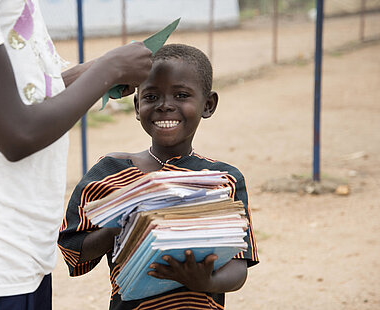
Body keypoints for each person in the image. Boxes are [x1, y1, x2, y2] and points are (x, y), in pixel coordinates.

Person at [0, 0, 152, 309]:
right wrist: (109, 68)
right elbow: (17, 134)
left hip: (20, 249)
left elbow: (27, 95)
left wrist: (98, 75)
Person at [58, 44, 259, 309]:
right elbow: (74, 249)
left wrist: (206, 282)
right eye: (151, 97)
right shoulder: (110, 172)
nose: (165, 106)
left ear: (208, 105)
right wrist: (126, 223)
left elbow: (238, 267)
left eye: (181, 95)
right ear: (137, 105)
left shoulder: (223, 180)